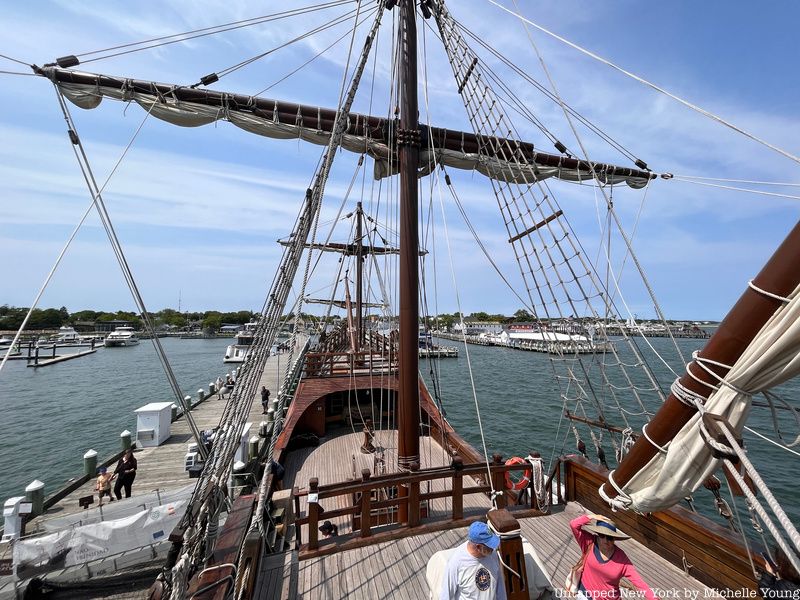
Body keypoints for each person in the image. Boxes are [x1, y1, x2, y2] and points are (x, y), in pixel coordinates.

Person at [569, 513, 655, 600]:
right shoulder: (589, 542)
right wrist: (591, 517)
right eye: (602, 535)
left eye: (609, 537)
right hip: (584, 595)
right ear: (598, 534)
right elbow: (574, 525)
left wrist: (653, 598)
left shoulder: (621, 558)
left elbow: (638, 582)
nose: (605, 540)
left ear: (614, 538)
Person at [440, 521, 507, 600]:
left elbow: (500, 588)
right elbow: (446, 595)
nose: (493, 548)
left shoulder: (492, 554)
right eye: (489, 545)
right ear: (478, 547)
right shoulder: (456, 563)